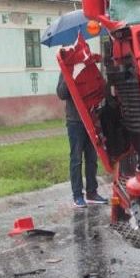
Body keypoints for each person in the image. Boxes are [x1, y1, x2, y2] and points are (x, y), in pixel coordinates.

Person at [56, 74, 108, 208]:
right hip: (75, 122)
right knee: (76, 159)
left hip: (90, 120)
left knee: (92, 158)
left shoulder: (87, 68)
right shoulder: (67, 70)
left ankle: (92, 193)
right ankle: (77, 196)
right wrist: (68, 76)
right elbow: (61, 94)